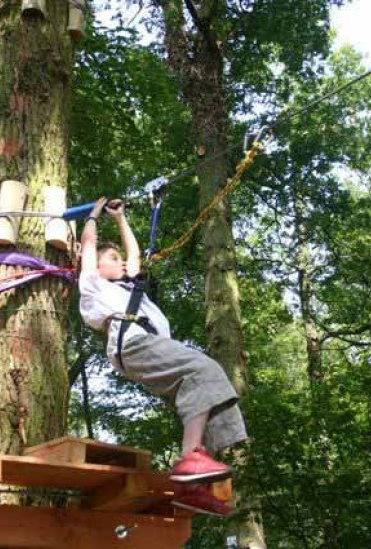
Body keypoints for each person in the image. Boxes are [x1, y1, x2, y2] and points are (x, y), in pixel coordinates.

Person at [77, 197, 247, 517]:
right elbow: (88, 248)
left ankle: (195, 486)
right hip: (134, 344)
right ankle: (190, 458)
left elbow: (135, 255)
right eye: (113, 258)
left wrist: (121, 218)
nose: (123, 262)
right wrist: (93, 217)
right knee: (203, 368)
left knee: (211, 392)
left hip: (148, 348)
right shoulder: (94, 285)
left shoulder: (129, 289)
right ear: (99, 266)